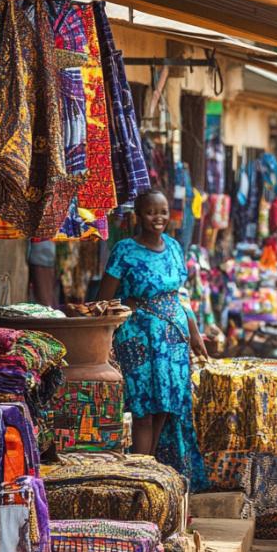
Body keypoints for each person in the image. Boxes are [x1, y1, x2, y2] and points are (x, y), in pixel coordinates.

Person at [98, 190, 210, 488]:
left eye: (162, 212)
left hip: (173, 339)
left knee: (165, 407)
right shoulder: (124, 250)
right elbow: (103, 299)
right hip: (139, 338)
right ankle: (140, 476)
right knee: (143, 409)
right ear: (138, 215)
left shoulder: (174, 247)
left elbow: (180, 296)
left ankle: (153, 474)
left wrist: (194, 332)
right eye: (150, 212)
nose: (157, 218)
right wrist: (107, 335)